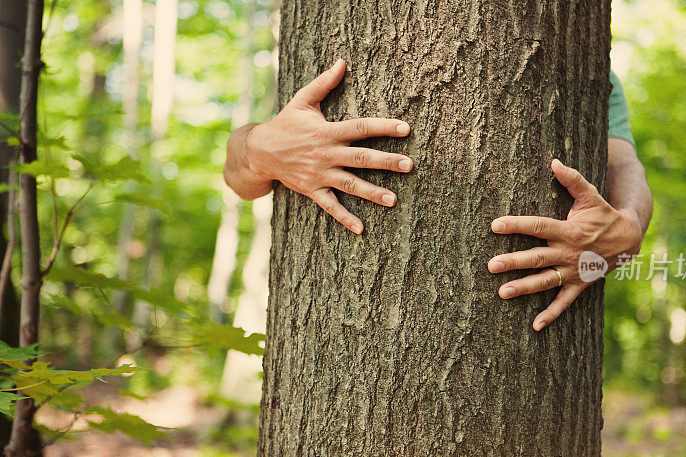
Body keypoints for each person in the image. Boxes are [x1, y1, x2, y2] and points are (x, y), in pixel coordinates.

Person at [224, 59, 652, 331]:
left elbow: (625, 164)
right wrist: (259, 147)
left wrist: (627, 232)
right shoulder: (307, 50)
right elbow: (238, 176)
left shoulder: (591, 65)